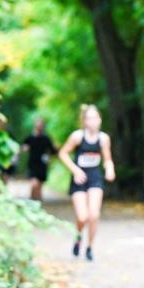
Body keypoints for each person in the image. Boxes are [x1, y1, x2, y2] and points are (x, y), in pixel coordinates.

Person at [58, 105, 116, 261]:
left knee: (94, 214)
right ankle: (78, 236)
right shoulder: (77, 136)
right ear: (84, 121)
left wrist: (110, 169)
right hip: (79, 179)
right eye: (89, 118)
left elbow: (107, 159)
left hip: (95, 177)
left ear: (100, 120)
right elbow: (63, 153)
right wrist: (75, 170)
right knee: (82, 216)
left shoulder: (103, 138)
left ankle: (90, 247)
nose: (93, 121)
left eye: (96, 118)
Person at [20, 118, 57, 201]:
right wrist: (24, 148)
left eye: (41, 125)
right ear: (35, 125)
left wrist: (50, 158)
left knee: (39, 186)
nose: (39, 126)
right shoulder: (30, 138)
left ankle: (37, 203)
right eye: (38, 124)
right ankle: (32, 200)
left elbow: (53, 151)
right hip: (32, 164)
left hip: (42, 165)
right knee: (34, 184)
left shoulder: (46, 138)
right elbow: (22, 148)